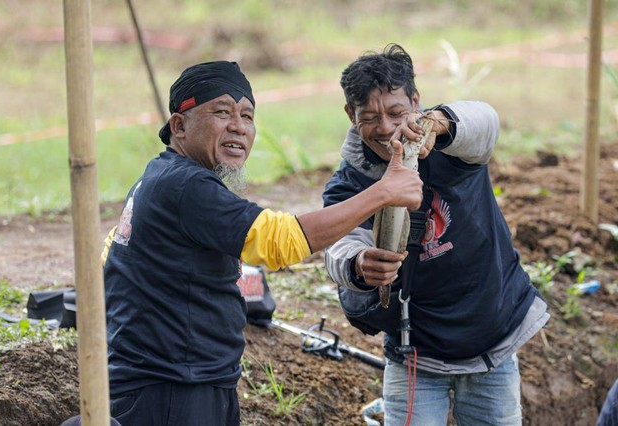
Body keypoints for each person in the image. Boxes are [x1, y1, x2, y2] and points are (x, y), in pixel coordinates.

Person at [102, 60, 423, 426]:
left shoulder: (159, 177)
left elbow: (111, 254)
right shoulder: (186, 187)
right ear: (179, 125)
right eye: (222, 112)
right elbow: (277, 241)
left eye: (247, 115)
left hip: (187, 380)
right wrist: (383, 192)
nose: (238, 126)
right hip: (171, 390)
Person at [323, 43, 550, 425]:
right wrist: (360, 264)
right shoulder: (350, 184)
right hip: (413, 354)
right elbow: (338, 245)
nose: (385, 128)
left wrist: (441, 122)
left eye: (396, 112)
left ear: (415, 100)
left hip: (491, 343)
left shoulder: (455, 145)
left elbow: (485, 121)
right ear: (350, 115)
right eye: (369, 117)